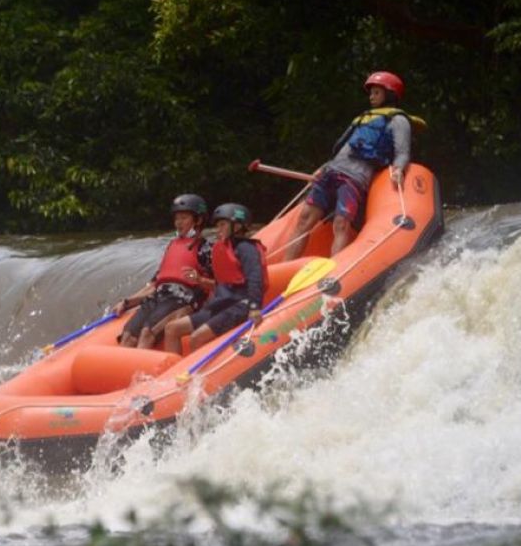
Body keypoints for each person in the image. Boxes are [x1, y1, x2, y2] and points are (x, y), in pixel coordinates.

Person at [284, 70, 423, 260]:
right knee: (303, 221)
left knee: (341, 224)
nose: (371, 97)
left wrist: (399, 169)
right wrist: (325, 166)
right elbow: (344, 149)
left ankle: (332, 275)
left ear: (390, 94)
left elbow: (402, 151)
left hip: (354, 178)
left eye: (376, 93)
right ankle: (285, 267)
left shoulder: (398, 120)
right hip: (331, 171)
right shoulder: (362, 118)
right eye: (371, 93)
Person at [164, 203, 268, 356]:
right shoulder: (223, 248)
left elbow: (255, 279)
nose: (218, 229)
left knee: (196, 338)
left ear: (237, 226)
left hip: (240, 306)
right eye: (217, 225)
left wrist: (254, 308)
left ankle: (196, 379)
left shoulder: (246, 248)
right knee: (171, 328)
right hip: (222, 304)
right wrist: (199, 280)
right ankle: (171, 372)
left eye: (222, 224)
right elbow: (222, 284)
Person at [113, 194, 213, 349]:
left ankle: (141, 372)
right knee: (128, 337)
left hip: (183, 299)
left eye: (184, 218)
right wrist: (126, 302)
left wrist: (200, 281)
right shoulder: (172, 246)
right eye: (176, 218)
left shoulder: (205, 248)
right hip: (158, 297)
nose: (178, 223)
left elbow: (222, 285)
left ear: (198, 220)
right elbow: (154, 285)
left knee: (147, 333)